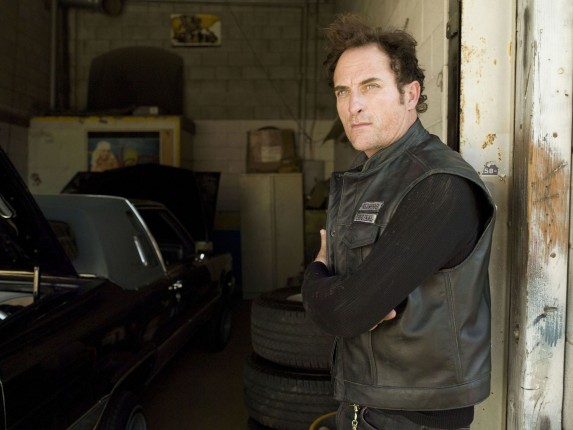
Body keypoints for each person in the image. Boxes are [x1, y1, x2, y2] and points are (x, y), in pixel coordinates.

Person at [301, 13, 496, 430]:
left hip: (412, 417)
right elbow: (353, 305)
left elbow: (346, 313)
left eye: (370, 86)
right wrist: (347, 296)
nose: (352, 105)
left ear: (411, 94)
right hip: (367, 405)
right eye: (342, 91)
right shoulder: (374, 177)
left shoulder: (439, 185)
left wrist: (316, 276)